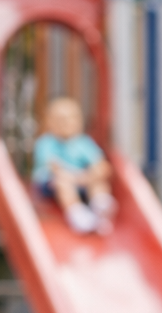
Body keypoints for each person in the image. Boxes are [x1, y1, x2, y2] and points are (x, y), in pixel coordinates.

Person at [32, 96, 115, 235]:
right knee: (62, 183)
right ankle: (77, 214)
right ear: (49, 123)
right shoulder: (46, 143)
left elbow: (101, 164)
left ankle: (100, 207)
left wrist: (93, 174)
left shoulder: (83, 142)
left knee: (98, 182)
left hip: (80, 180)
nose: (67, 123)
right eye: (60, 120)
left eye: (72, 118)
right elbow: (54, 169)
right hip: (51, 184)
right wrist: (77, 178)